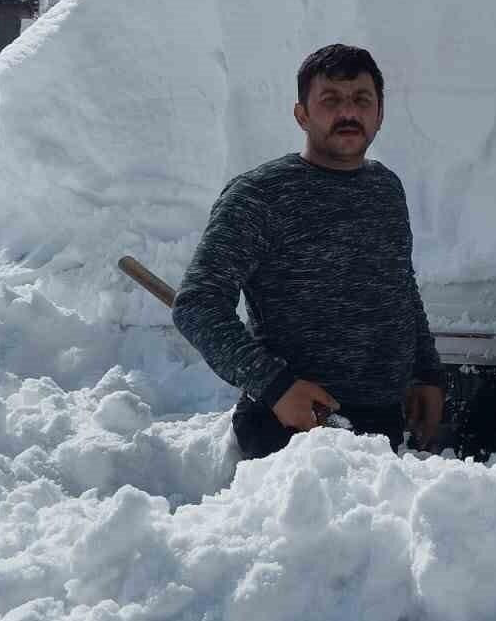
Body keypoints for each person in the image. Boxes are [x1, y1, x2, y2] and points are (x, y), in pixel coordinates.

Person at [172, 43, 445, 459]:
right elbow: (197, 305)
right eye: (330, 100)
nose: (348, 113)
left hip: (381, 426)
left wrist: (426, 373)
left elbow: (400, 289)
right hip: (288, 434)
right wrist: (275, 386)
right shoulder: (259, 197)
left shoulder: (386, 190)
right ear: (302, 114)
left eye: (361, 100)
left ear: (380, 114)